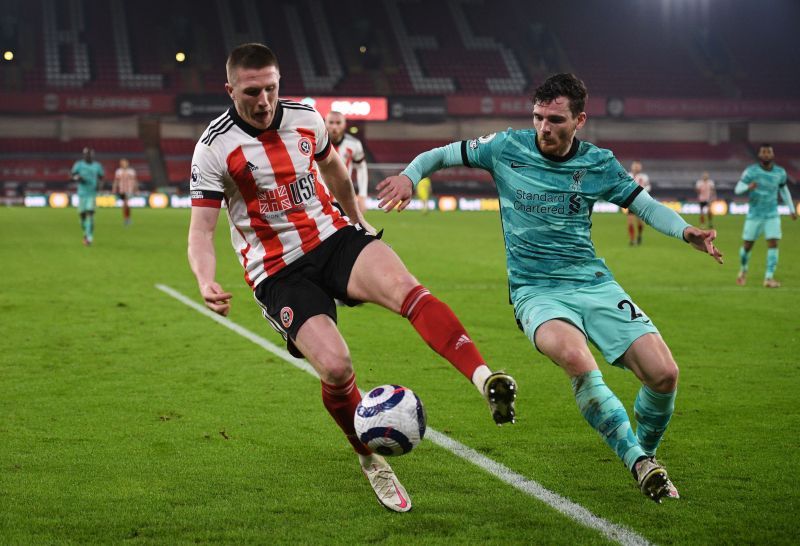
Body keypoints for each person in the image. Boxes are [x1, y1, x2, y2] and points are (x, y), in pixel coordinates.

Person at [186, 43, 517, 513]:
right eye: (252, 92)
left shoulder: (305, 117)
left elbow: (334, 168)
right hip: (278, 271)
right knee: (337, 368)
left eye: (272, 88)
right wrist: (205, 279)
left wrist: (357, 218)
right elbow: (200, 230)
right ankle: (370, 459)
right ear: (230, 89)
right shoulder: (213, 147)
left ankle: (485, 378)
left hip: (334, 237)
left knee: (410, 291)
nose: (264, 101)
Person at [378, 73, 723, 503]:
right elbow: (444, 153)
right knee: (578, 360)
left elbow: (644, 204)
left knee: (664, 375)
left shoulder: (598, 163)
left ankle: (645, 453)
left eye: (555, 119)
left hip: (593, 282)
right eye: (538, 117)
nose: (544, 127)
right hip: (535, 291)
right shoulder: (506, 147)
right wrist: (411, 176)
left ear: (579, 119)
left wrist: (686, 231)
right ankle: (638, 462)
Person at [735, 144, 797, 288]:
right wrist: (747, 187)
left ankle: (768, 278)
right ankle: (744, 269)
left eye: (769, 152)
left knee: (773, 243)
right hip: (754, 215)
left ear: (772, 155)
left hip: (772, 215)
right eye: (764, 152)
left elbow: (784, 190)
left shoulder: (780, 173)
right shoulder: (751, 172)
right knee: (747, 247)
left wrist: (792, 209)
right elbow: (738, 189)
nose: (766, 154)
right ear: (759, 155)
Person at [322, 111, 369, 213]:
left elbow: (361, 168)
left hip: (345, 199)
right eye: (331, 122)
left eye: (338, 123)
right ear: (325, 123)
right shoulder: (316, 142)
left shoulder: (354, 144)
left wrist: (362, 195)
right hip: (319, 198)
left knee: (350, 228)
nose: (334, 126)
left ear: (344, 125)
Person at [71, 147, 104, 246]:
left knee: (90, 213)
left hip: (92, 193)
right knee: (82, 216)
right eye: (86, 154)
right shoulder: (79, 165)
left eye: (90, 154)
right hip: (82, 194)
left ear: (92, 155)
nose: (88, 156)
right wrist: (78, 178)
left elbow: (101, 177)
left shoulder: (97, 166)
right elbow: (72, 175)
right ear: (84, 155)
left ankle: (88, 237)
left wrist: (99, 186)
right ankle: (86, 232)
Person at [626, 161, 651, 246]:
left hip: (640, 201)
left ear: (640, 167)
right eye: (635, 166)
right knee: (630, 222)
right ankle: (632, 240)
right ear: (632, 166)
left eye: (638, 166)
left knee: (640, 222)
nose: (636, 167)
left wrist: (642, 190)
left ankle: (639, 235)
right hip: (631, 201)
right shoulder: (627, 175)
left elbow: (648, 186)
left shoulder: (644, 177)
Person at [112, 158, 138, 225]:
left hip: (129, 190)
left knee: (126, 203)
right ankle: (127, 218)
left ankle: (127, 219)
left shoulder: (131, 171)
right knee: (125, 204)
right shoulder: (118, 171)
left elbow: (135, 181)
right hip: (122, 190)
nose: (123, 164)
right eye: (122, 163)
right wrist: (114, 189)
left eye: (125, 163)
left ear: (127, 163)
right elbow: (116, 181)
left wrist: (136, 189)